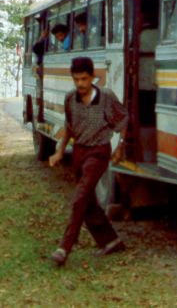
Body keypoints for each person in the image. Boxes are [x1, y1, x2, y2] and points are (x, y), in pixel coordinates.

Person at [48, 57, 128, 267]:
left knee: (79, 198)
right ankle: (111, 241)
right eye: (76, 79)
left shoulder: (106, 96)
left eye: (84, 79)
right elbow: (69, 126)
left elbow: (124, 120)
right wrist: (59, 151)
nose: (80, 84)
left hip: (99, 152)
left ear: (93, 77)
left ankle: (64, 247)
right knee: (88, 201)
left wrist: (121, 146)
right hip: (79, 151)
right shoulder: (70, 99)